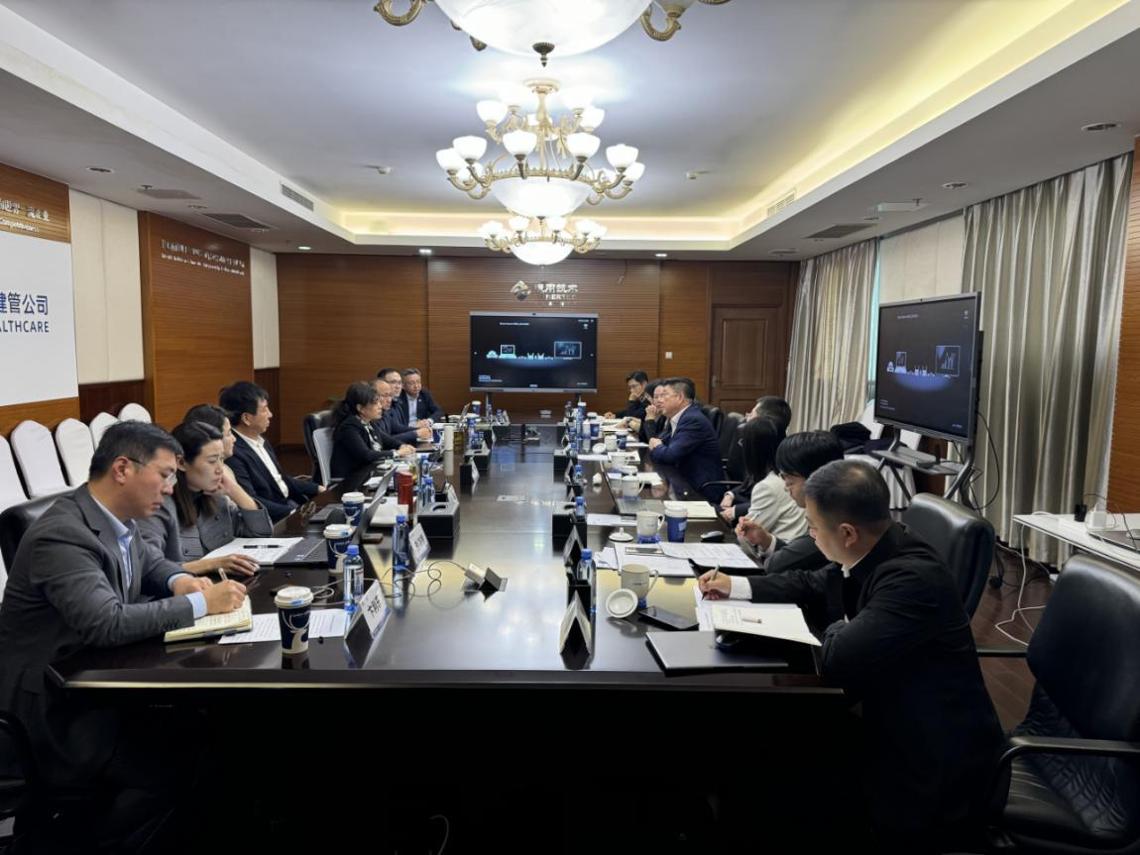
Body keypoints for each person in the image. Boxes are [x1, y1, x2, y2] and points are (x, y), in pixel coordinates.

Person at [699, 460, 1003, 850]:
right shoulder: (878, 546)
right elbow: (812, 584)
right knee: (759, 746)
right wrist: (737, 586)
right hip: (884, 710)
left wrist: (837, 624)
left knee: (768, 762)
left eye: (812, 526)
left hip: (928, 762)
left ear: (846, 532)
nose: (810, 534)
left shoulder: (911, 579)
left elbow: (837, 658)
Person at [0, 422, 246, 812]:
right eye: (165, 475)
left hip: (98, 682)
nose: (171, 488)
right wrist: (202, 604)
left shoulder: (117, 518)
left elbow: (151, 563)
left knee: (216, 729)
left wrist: (180, 581)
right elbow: (107, 623)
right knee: (196, 758)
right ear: (122, 469)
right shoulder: (62, 535)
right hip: (57, 712)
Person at [137, 421, 269, 576]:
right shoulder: (158, 505)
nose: (220, 469)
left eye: (222, 459)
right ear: (181, 463)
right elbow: (151, 569)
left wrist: (234, 489)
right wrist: (211, 564)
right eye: (212, 461)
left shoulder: (216, 498)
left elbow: (261, 532)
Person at [732, 430, 844, 575]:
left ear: (816, 479)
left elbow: (777, 564)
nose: (786, 488)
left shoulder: (832, 523)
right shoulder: (829, 509)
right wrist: (766, 540)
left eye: (790, 481)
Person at [220, 380, 322, 522]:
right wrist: (293, 513)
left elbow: (280, 479)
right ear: (246, 418)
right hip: (274, 518)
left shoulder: (261, 440)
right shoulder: (233, 453)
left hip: (291, 504)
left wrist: (317, 489)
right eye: (264, 410)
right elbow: (251, 500)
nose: (270, 414)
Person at [647, 378, 724, 502]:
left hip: (700, 491)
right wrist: (657, 446)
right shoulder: (678, 418)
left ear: (680, 397)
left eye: (664, 395)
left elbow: (668, 455)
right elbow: (658, 449)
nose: (659, 400)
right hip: (682, 481)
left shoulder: (692, 420)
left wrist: (657, 446)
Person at [733, 417, 806, 543]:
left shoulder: (767, 486)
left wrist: (737, 530)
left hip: (780, 550)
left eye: (742, 443)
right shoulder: (787, 477)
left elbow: (746, 537)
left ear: (752, 449)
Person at [721, 396, 792, 521]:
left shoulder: (776, 455)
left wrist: (735, 510)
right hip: (745, 504)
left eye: (751, 414)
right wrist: (731, 494)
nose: (746, 418)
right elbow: (749, 480)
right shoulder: (759, 443)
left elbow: (767, 498)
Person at [330, 381, 400, 478]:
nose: (380, 406)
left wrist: (403, 446)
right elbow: (366, 455)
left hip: (368, 473)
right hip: (350, 480)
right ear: (360, 408)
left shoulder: (368, 422)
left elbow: (388, 440)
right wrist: (396, 453)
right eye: (375, 403)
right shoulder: (349, 427)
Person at [371, 377, 425, 452]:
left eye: (390, 395)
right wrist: (416, 433)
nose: (389, 400)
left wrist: (421, 430)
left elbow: (398, 428)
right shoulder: (371, 418)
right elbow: (384, 441)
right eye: (385, 396)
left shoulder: (385, 413)